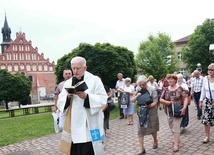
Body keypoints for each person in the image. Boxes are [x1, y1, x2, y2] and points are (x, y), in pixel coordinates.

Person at [57, 56, 108, 155]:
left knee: (92, 150)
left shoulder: (95, 80)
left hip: (91, 124)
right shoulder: (68, 83)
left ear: (85, 68)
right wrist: (67, 97)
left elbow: (103, 99)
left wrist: (87, 97)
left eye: (78, 68)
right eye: (73, 68)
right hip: (74, 125)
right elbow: (60, 101)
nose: (75, 71)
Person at [160, 74, 188, 152]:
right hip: (169, 112)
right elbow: (160, 99)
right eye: (169, 79)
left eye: (172, 79)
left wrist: (184, 107)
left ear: (175, 80)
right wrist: (165, 102)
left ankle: (176, 144)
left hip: (178, 110)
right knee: (171, 126)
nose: (170, 80)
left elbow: (185, 98)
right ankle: (176, 136)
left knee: (176, 127)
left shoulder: (180, 89)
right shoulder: (166, 89)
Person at [131, 75, 159, 155]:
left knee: (152, 128)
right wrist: (137, 96)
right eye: (140, 85)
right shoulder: (138, 89)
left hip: (151, 111)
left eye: (143, 84)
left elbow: (155, 101)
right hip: (141, 112)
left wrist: (150, 105)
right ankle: (141, 149)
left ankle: (155, 140)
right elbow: (132, 100)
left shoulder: (152, 89)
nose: (142, 86)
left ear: (146, 82)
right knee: (140, 130)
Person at [199, 63, 214, 143]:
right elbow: (203, 91)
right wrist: (201, 101)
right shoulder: (205, 79)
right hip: (208, 102)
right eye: (209, 70)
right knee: (206, 120)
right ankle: (207, 137)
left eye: (212, 70)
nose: (210, 71)